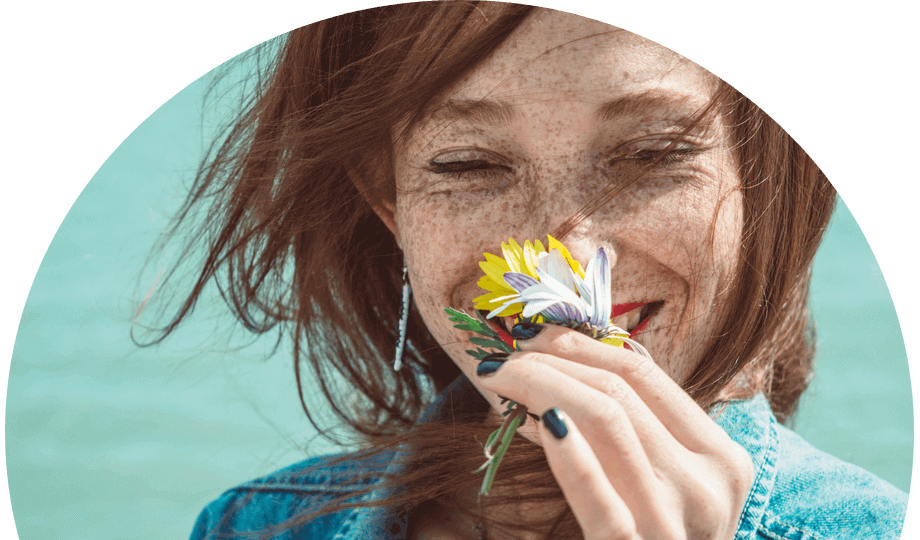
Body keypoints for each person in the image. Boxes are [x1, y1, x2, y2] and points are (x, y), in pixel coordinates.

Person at [135, 3, 907, 539]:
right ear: (387, 199)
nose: (562, 257)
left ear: (760, 178)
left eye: (651, 153)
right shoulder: (252, 527)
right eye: (469, 164)